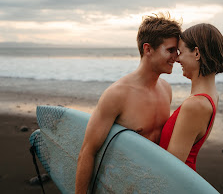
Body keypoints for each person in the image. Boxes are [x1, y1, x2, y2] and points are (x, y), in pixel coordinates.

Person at [75, 13, 181, 193]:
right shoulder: (117, 94)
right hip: (120, 186)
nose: (176, 57)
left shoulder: (166, 90)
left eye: (177, 51)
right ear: (148, 49)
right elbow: (88, 151)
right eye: (170, 50)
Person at [159, 23, 223, 171]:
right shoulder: (212, 96)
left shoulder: (196, 105)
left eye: (181, 51)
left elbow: (170, 169)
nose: (177, 59)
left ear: (197, 53)